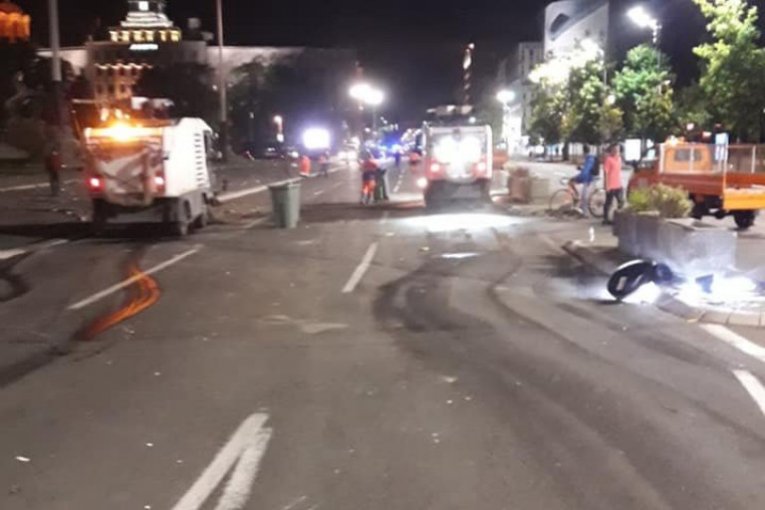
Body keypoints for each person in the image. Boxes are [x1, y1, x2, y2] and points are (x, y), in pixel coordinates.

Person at [568, 145, 596, 215]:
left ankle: (585, 213)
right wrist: (580, 168)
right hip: (587, 177)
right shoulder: (589, 158)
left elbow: (585, 172)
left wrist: (578, 177)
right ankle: (577, 198)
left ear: (584, 151)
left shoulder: (589, 159)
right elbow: (586, 169)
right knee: (571, 182)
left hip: (588, 178)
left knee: (584, 196)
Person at [603, 144, 625, 224]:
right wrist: (606, 185)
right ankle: (606, 219)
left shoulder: (619, 158)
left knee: (621, 201)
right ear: (611, 150)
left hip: (618, 184)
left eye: (617, 149)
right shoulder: (608, 159)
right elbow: (606, 173)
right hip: (610, 185)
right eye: (614, 149)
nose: (616, 151)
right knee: (608, 202)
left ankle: (618, 217)